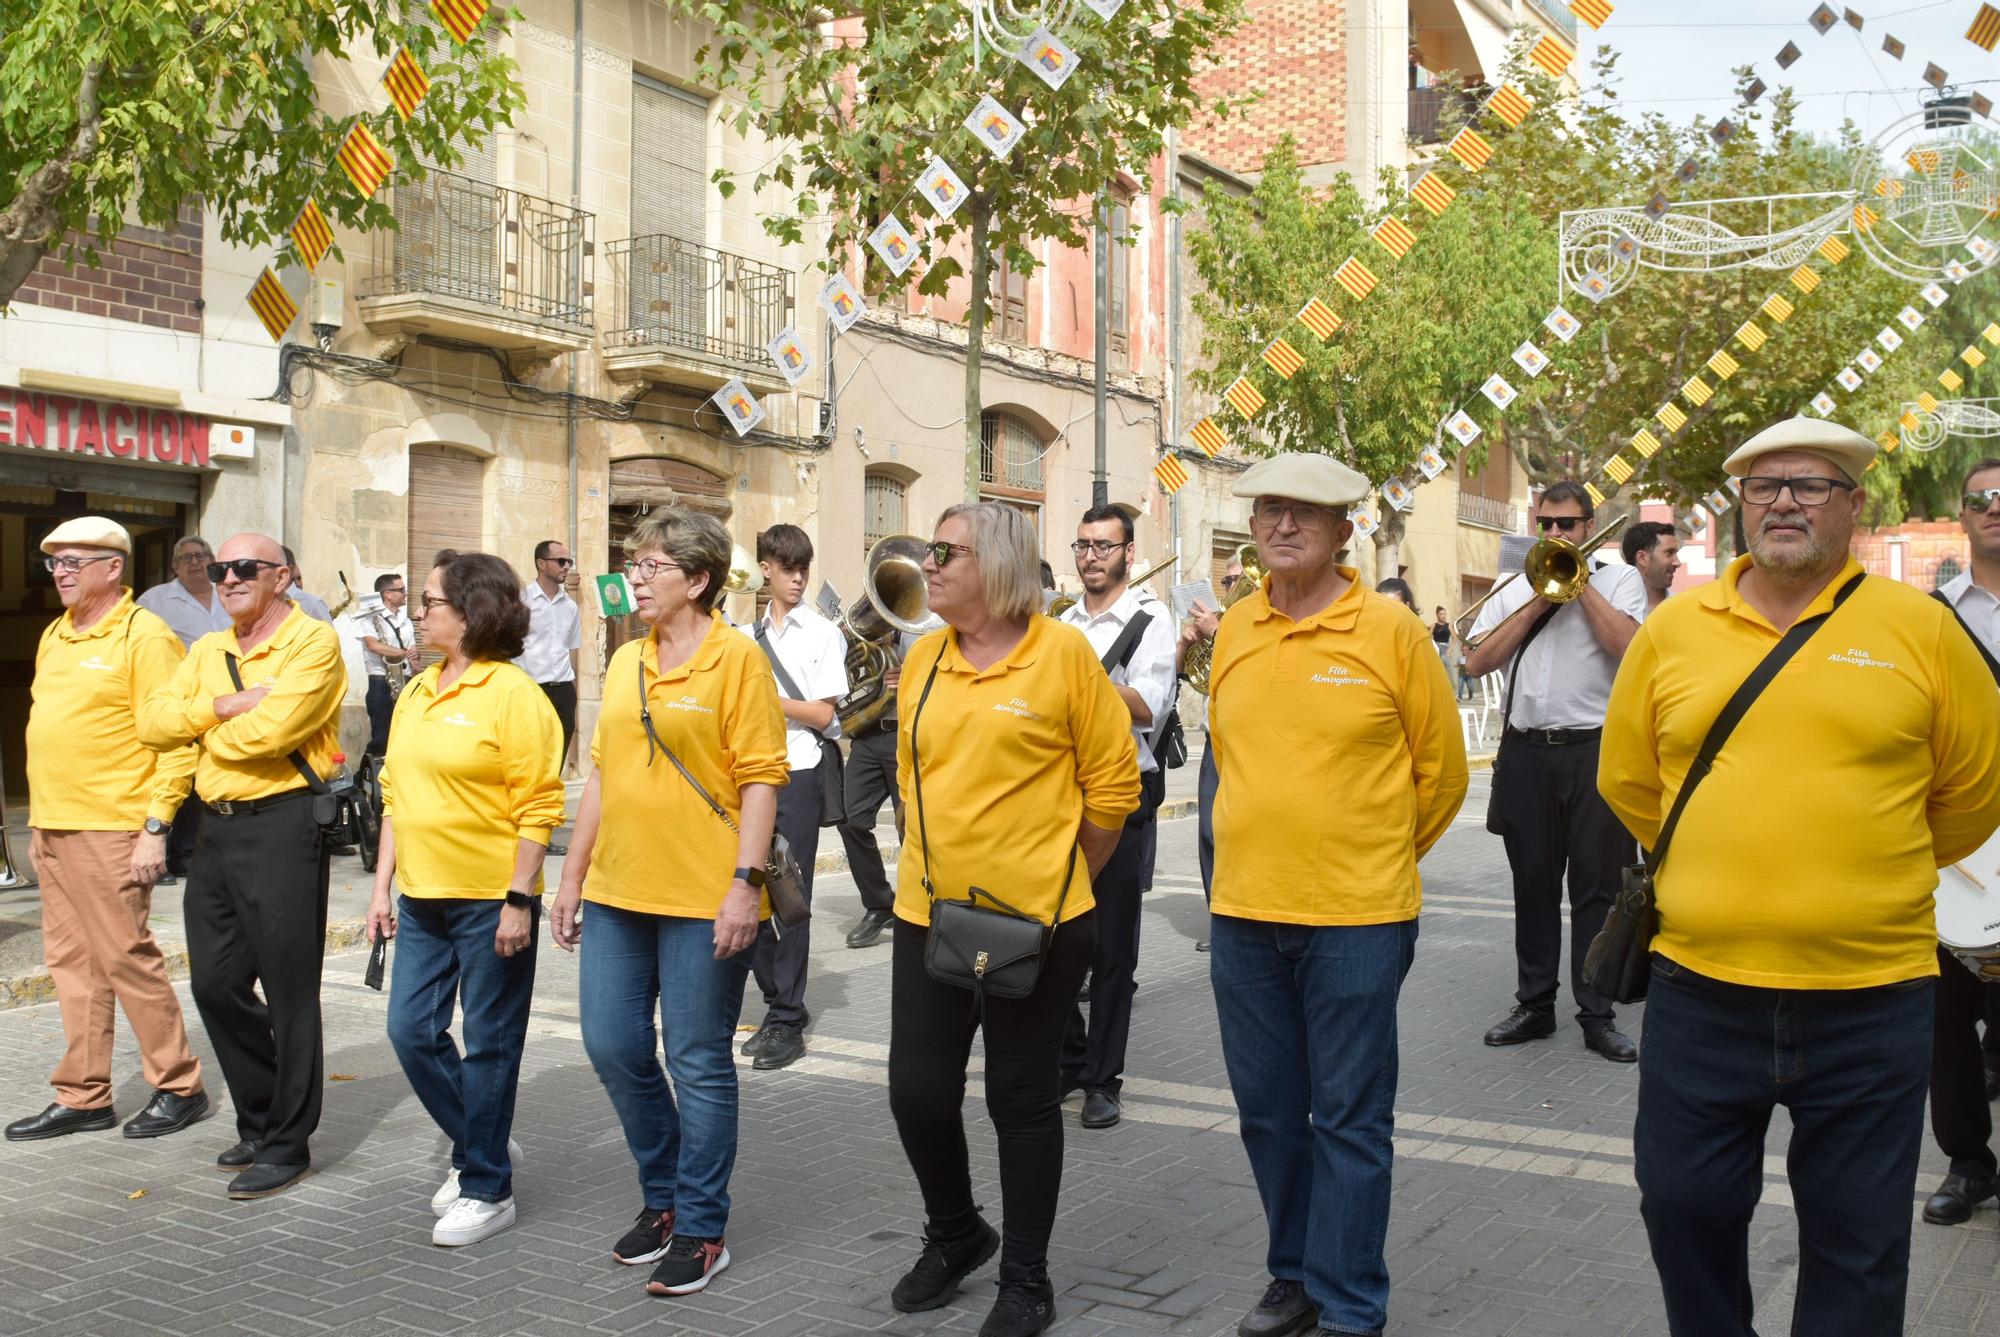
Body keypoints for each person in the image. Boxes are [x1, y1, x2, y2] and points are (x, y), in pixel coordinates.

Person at [1599, 418, 2000, 1337]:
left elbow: (1972, 795)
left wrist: (1856, 869)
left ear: (1854, 507)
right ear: (1739, 507)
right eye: (1762, 486)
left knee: (1858, 1249)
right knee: (1682, 1206)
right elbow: (1630, 782)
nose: (1782, 501)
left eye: (1810, 486)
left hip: (1873, 996)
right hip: (1700, 990)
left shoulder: (1921, 632)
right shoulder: (1672, 633)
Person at [1206, 456, 1467, 1337]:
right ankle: (1296, 1275)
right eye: (1270, 510)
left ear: (1344, 529)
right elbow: (1228, 761)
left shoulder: (1391, 631)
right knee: (1270, 1115)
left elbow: (1444, 773)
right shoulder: (1236, 629)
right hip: (1243, 916)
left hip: (1358, 918)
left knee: (1351, 1119)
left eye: (1305, 514)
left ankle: (1353, 1304)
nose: (1282, 525)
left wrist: (1374, 854)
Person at [884, 502, 1138, 1337]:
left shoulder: (1062, 653)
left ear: (994, 563)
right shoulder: (922, 656)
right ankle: (957, 1232)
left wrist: (1062, 882)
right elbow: (913, 778)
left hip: (1041, 926)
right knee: (918, 1091)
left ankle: (1027, 1280)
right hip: (932, 912)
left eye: (943, 549)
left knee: (1019, 1100)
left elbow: (1113, 789)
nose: (928, 561)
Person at [550, 508, 787, 1298]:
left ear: (698, 578)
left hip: (702, 894)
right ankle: (664, 1194)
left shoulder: (737, 661)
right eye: (634, 564)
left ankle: (700, 1224)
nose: (636, 579)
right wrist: (571, 874)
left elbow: (759, 780)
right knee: (613, 1045)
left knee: (697, 1059)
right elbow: (606, 778)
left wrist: (743, 888)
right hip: (619, 889)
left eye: (651, 566)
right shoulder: (626, 663)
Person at [136, 533, 347, 1200]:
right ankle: (259, 1116)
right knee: (215, 984)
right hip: (217, 832)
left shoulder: (314, 642)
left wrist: (197, 730)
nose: (224, 577)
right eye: (219, 568)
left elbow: (273, 735)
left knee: (290, 991)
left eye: (243, 568)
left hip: (285, 825)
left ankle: (288, 1141)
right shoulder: (209, 648)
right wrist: (222, 707)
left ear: (281, 576)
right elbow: (153, 722)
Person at [367, 552, 564, 1248]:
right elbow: (394, 793)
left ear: (471, 611)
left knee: (489, 1043)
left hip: (490, 898)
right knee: (411, 1031)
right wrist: (381, 885)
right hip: (421, 896)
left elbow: (540, 804)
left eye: (429, 602)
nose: (418, 613)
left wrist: (519, 899)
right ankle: (483, 1140)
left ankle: (487, 1185)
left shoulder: (515, 696)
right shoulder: (418, 691)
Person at [7, 517, 210, 1145]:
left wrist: (155, 828)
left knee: (126, 957)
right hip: (53, 824)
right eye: (53, 564)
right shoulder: (55, 634)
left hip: (112, 826)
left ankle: (180, 1085)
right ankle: (84, 1094)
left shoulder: (144, 636)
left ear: (112, 567)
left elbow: (177, 741)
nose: (61, 572)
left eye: (73, 561)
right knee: (72, 964)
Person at [1466, 481, 1646, 1063]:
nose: (1555, 535)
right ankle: (1535, 1005)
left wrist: (1578, 584)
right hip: (1526, 752)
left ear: (1590, 526)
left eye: (1567, 525)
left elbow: (1631, 650)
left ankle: (1597, 1014)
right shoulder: (1511, 585)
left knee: (1597, 889)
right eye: (1546, 524)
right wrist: (1538, 598)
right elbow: (1477, 659)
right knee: (1533, 886)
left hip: (1595, 750)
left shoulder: (1619, 579)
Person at [1056, 504, 1178, 1131]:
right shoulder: (1062, 620)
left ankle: (1103, 1079)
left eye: (1104, 546)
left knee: (1111, 953)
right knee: (1051, 941)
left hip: (1123, 793)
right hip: (1058, 797)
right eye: (1083, 546)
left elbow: (1148, 706)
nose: (1091, 557)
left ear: (1129, 554)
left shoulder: (1151, 621)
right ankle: (1071, 1058)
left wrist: (1076, 681)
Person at [1922, 456, 2000, 1227]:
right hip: (1958, 851)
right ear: (1964, 514)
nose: (1996, 508)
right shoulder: (1930, 616)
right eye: (1982, 498)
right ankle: (1968, 1162)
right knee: (1947, 1017)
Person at [740, 524, 848, 1072]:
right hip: (748, 776)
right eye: (788, 568)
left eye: (804, 567)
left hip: (798, 775)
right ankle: (773, 1006)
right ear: (766, 569)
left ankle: (789, 1016)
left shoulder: (822, 633)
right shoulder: (745, 634)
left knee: (790, 895)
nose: (799, 578)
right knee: (752, 892)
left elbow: (825, 714)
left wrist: (768, 699)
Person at [140, 535, 232, 883]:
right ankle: (160, 855)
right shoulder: (156, 600)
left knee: (205, 778)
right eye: (187, 557)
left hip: (224, 700)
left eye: (201, 555)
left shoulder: (228, 592)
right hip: (178, 697)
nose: (195, 562)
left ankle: (188, 853)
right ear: (175, 566)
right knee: (172, 774)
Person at [1179, 553, 1244, 955]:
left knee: (1238, 834)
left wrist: (1219, 634)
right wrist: (1191, 642)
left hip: (1248, 743)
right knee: (1208, 834)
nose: (1231, 586)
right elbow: (1191, 676)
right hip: (1213, 738)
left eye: (1237, 579)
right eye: (1227, 580)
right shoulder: (1219, 621)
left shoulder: (1252, 621)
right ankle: (1219, 921)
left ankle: (1241, 924)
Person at [837, 634, 912, 950]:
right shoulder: (859, 633)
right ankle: (880, 905)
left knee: (910, 829)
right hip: (869, 736)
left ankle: (918, 908)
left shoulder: (928, 627)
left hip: (907, 734)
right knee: (849, 818)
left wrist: (910, 675)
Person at [518, 539, 583, 851]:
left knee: (553, 766)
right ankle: (521, 827)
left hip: (562, 690)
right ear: (541, 563)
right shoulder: (522, 601)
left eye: (568, 561)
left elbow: (570, 650)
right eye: (560, 561)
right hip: (532, 689)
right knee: (530, 760)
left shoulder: (570, 606)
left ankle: (543, 831)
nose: (566, 567)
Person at [357, 572, 415, 758]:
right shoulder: (370, 618)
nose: (405, 593)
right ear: (387, 593)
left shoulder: (405, 621)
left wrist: (414, 658)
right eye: (401, 590)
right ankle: (367, 777)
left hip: (404, 679)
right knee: (381, 739)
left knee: (404, 737)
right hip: (381, 682)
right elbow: (373, 645)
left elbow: (412, 650)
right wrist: (402, 653)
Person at [1620, 521, 1683, 610]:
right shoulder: (1612, 607)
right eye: (1669, 553)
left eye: (1675, 553)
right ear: (1642, 558)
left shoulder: (1683, 608)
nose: (1677, 563)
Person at [281, 546, 335, 622]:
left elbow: (329, 632)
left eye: (299, 578)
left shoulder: (312, 603)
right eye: (293, 579)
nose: (297, 584)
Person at [1430, 605, 1460, 698]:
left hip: (1446, 652)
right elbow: (1427, 636)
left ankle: (1453, 695)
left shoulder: (1449, 625)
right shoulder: (1434, 625)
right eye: (1441, 614)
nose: (1443, 616)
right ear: (1437, 615)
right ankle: (1437, 695)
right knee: (1437, 674)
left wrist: (1450, 649)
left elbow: (1455, 638)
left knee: (1450, 674)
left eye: (1444, 614)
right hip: (1436, 652)